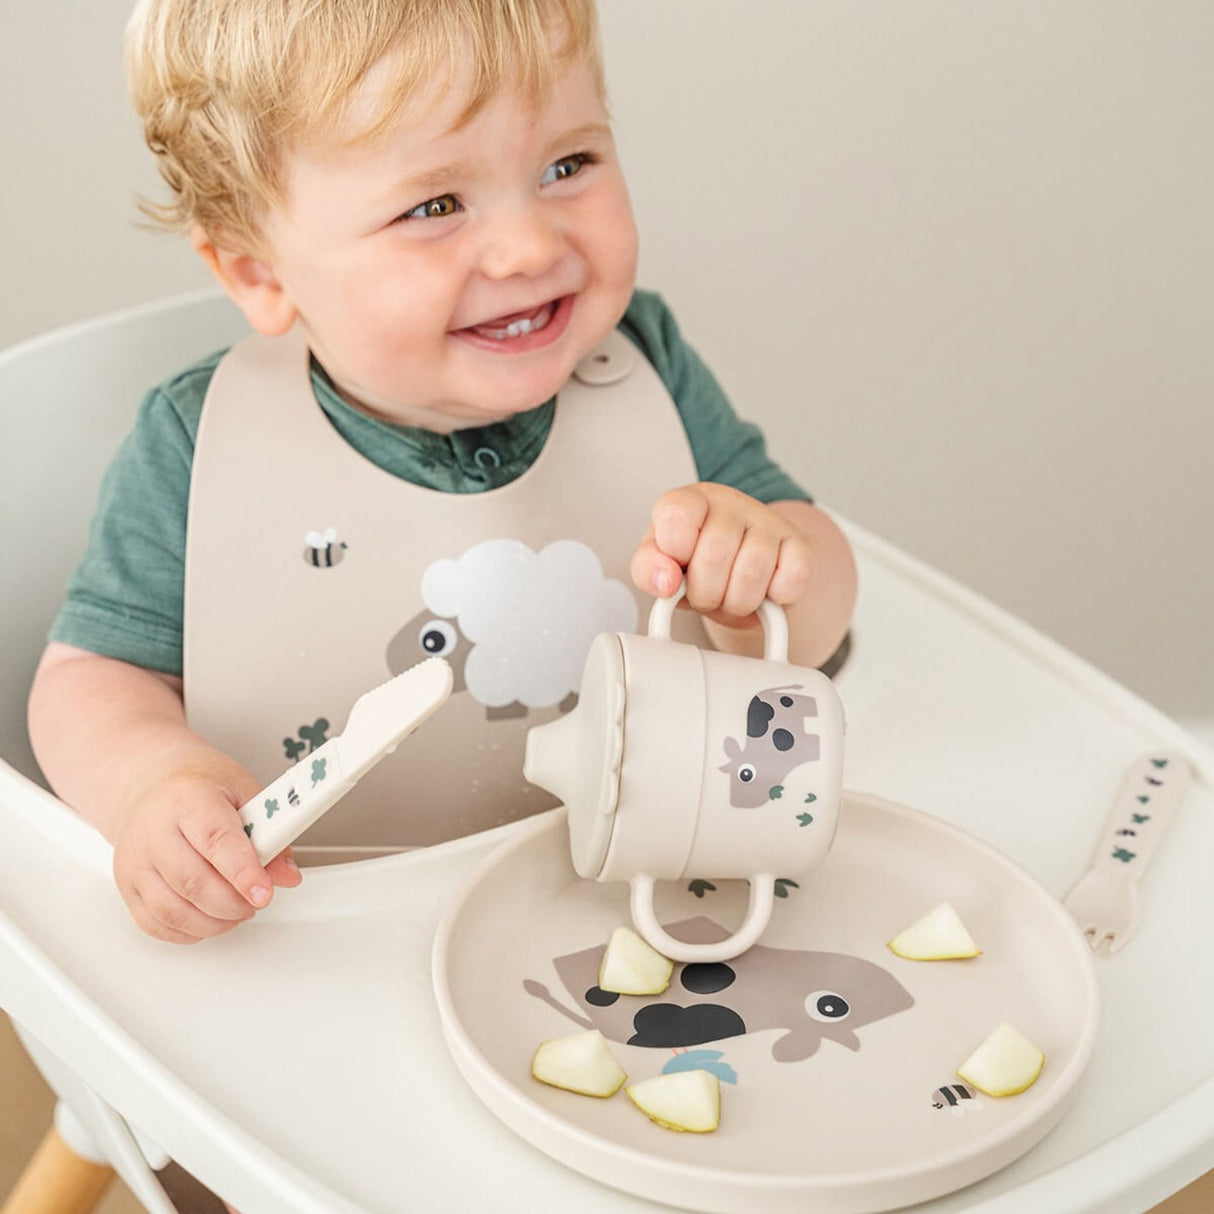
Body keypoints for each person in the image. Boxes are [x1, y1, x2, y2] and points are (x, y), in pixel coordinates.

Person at [27, 0, 858, 946]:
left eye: (567, 165)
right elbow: (92, 679)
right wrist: (149, 780)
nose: (531, 246)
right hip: (323, 935)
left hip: (636, 902)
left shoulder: (647, 364)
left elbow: (817, 611)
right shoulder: (199, 441)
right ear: (261, 273)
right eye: (434, 207)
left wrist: (762, 582)